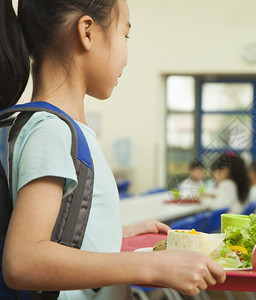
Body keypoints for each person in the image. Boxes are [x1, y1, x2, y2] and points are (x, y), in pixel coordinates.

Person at [0, 0, 225, 299]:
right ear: (87, 33)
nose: (127, 55)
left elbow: (57, 239)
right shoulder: (51, 131)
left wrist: (112, 237)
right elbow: (23, 261)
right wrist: (149, 266)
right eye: (125, 34)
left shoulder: (60, 129)